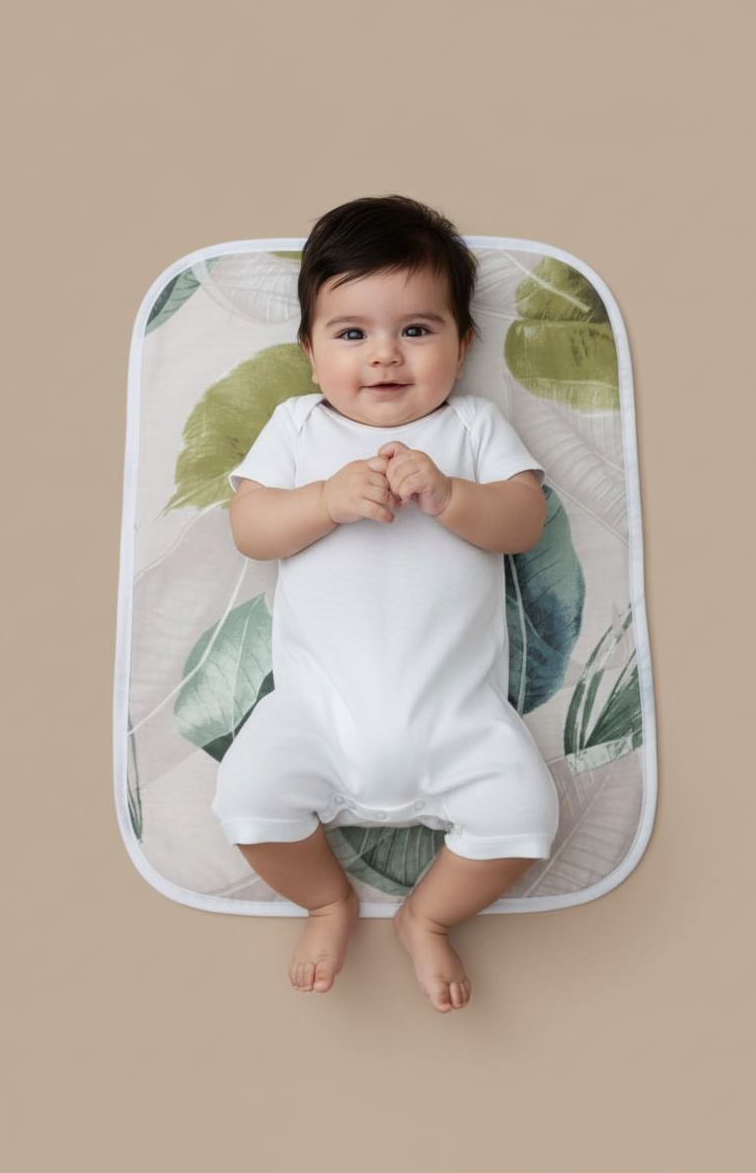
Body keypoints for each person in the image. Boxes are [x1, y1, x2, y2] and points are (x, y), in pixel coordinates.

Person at [212, 196, 558, 1012]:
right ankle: (328, 901)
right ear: (309, 351)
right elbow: (252, 528)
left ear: (463, 345)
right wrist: (324, 500)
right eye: (352, 332)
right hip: (316, 714)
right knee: (249, 801)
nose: (385, 357)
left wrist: (450, 496)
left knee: (525, 817)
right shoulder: (298, 428)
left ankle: (426, 918)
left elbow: (523, 523)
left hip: (457, 717)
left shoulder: (472, 428)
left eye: (417, 330)